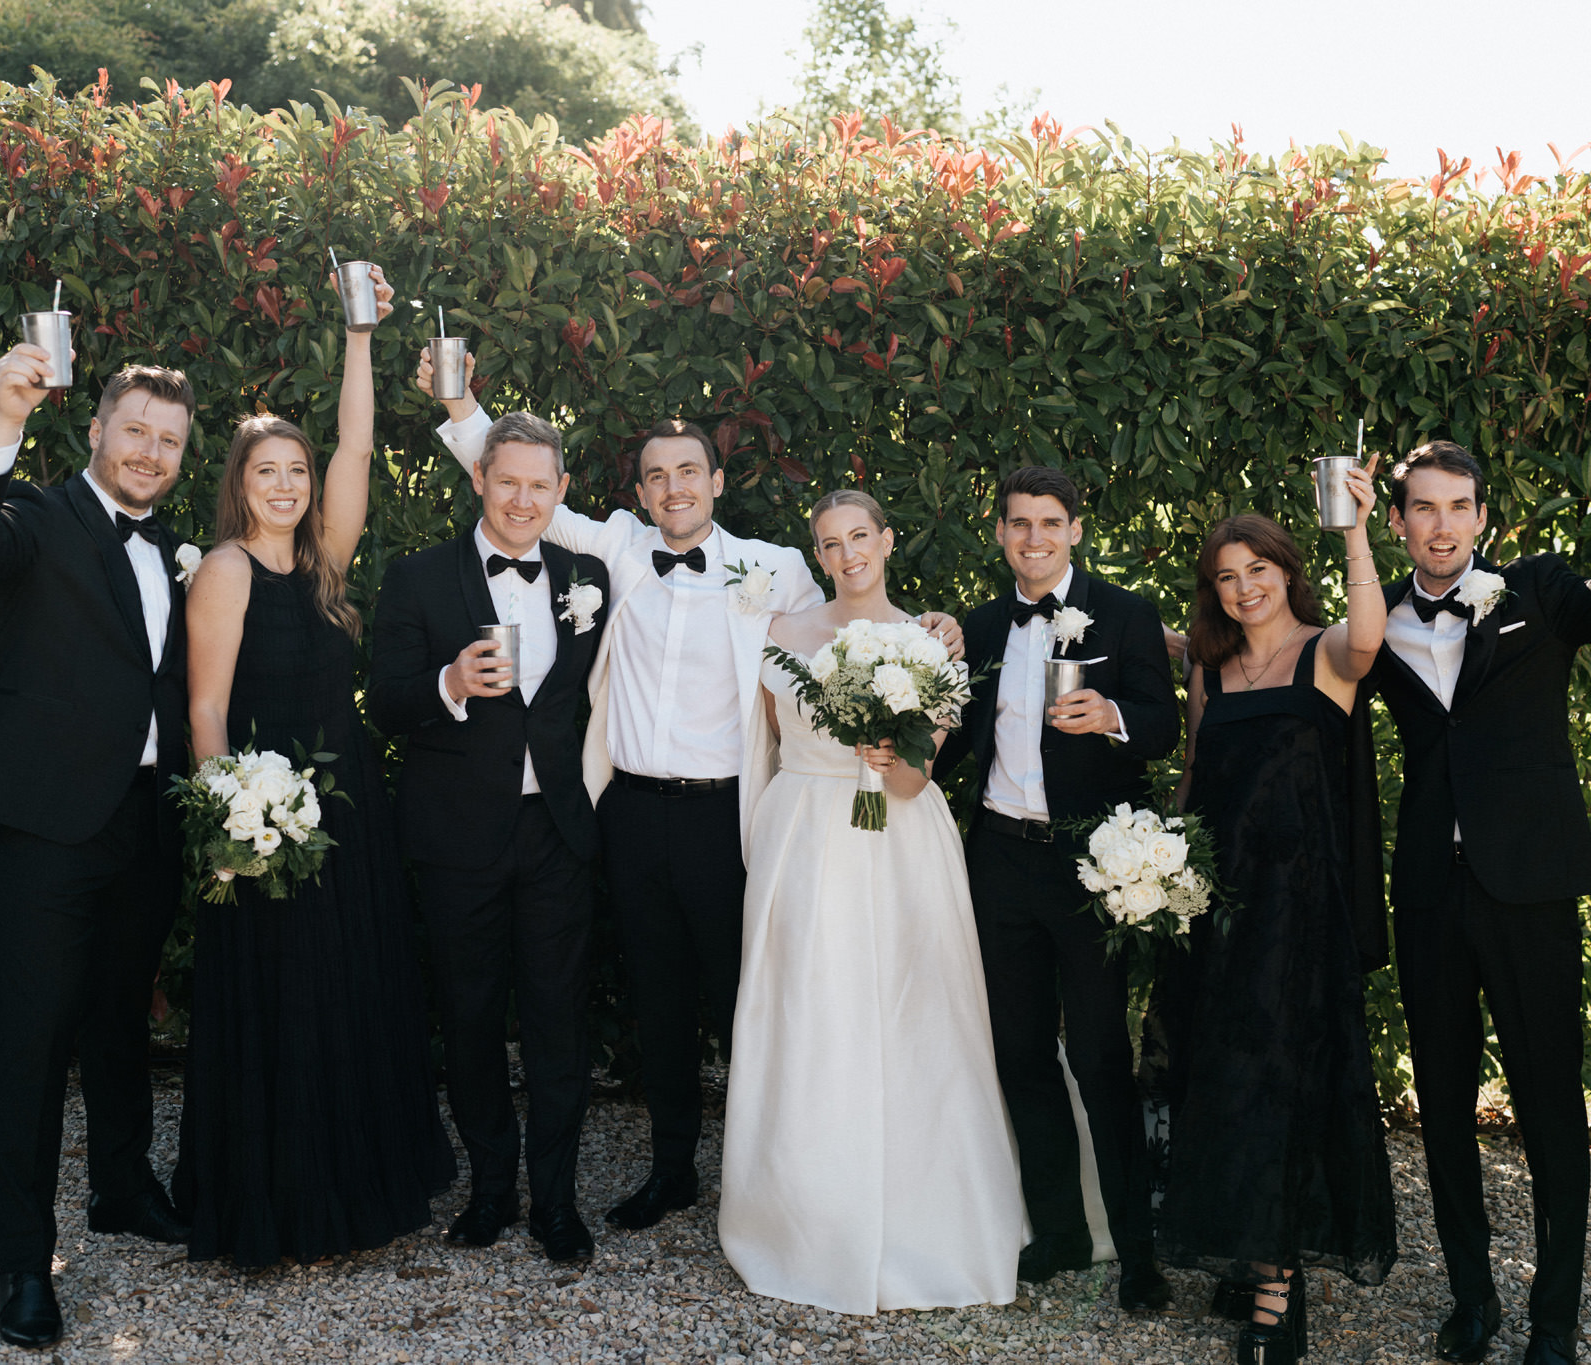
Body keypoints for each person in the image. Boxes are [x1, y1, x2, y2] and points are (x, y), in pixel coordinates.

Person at [417, 350, 962, 1230]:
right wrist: (458, 402)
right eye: (655, 476)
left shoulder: (774, 566)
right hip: (630, 813)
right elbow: (522, 488)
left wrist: (935, 627)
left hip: (731, 817)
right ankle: (671, 1170)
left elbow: (853, 610)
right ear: (639, 494)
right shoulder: (619, 549)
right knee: (658, 1002)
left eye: (687, 472)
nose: (672, 488)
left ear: (716, 480)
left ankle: (766, 1178)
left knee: (748, 998)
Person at [1369, 412, 1591, 1365]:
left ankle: (1554, 1318)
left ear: (1482, 516)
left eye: (1459, 507)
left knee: (1551, 1103)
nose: (1443, 525)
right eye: (1425, 509)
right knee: (1442, 1103)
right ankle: (1471, 1298)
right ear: (1398, 521)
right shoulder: (1375, 619)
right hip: (1430, 892)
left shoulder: (1541, 591)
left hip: (1532, 889)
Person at [173, 266, 456, 1266]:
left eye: (296, 469)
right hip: (263, 822)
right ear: (239, 485)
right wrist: (231, 825)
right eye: (268, 472)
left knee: (350, 995)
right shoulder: (224, 570)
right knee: (281, 1005)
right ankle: (278, 1203)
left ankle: (353, 1187)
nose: (288, 484)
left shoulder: (326, 561)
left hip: (346, 811)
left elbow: (358, 445)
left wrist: (359, 335)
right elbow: (205, 707)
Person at [0, 350, 197, 1348]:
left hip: (147, 817)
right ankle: (23, 1266)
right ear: (95, 431)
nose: (151, 453)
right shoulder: (36, 517)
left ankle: (121, 1188)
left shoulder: (175, 547)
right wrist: (4, 417)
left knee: (122, 1017)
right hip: (46, 823)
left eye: (169, 440)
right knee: (36, 1040)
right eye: (136, 431)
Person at [719, 489, 1026, 1313]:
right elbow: (767, 743)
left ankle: (925, 1217)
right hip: (801, 837)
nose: (848, 553)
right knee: (809, 1010)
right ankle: (802, 1215)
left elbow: (917, 780)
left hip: (897, 838)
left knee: (910, 1012)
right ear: (816, 555)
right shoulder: (779, 633)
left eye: (861, 536)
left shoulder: (929, 641)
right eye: (831, 542)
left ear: (887, 541)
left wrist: (887, 753)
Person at [1155, 463, 1398, 1365]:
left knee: (1285, 1084)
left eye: (1257, 568)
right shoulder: (1209, 666)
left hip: (1299, 915)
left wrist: (1356, 531)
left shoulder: (1327, 651)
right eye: (1227, 575)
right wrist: (1160, 872)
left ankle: (1275, 1292)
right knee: (1221, 1077)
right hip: (1218, 909)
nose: (1244, 586)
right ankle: (1243, 1248)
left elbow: (1370, 636)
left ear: (1287, 570)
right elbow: (1193, 775)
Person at [366, 410, 610, 1263]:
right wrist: (449, 681)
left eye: (540, 485)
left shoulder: (588, 578)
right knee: (469, 1017)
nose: (522, 499)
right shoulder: (418, 577)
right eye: (507, 481)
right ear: (479, 478)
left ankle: (557, 1201)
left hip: (556, 833)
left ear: (561, 490)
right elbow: (384, 702)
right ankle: (491, 1188)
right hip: (458, 836)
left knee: (557, 1020)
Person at [934, 465, 1180, 1308]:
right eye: (1018, 523)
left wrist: (1112, 714)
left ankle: (1138, 1254)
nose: (1032, 538)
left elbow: (1162, 724)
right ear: (1001, 532)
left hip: (1089, 865)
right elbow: (954, 742)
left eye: (1048, 523)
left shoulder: (1126, 613)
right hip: (1000, 861)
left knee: (1103, 1056)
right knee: (1022, 1051)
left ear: (1075, 529)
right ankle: (1062, 1232)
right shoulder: (979, 625)